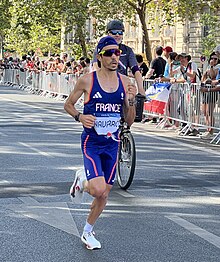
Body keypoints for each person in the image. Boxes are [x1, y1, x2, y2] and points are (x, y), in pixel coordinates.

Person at [64, 36, 137, 250]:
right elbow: (68, 104)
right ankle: (82, 180)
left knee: (104, 193)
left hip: (112, 144)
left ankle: (88, 231)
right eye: (109, 53)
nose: (115, 57)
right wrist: (79, 117)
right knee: (96, 190)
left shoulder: (125, 82)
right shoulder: (87, 80)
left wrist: (131, 100)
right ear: (100, 56)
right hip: (92, 142)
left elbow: (129, 120)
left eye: (117, 53)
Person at [92, 19, 145, 96]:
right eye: (114, 32)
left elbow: (136, 70)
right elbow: (95, 67)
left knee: (129, 105)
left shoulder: (128, 50)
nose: (117, 35)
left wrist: (141, 89)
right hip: (104, 85)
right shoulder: (100, 48)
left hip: (121, 86)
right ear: (108, 34)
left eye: (120, 32)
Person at [200, 52, 220, 139]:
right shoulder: (207, 66)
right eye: (212, 58)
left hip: (213, 91)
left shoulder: (218, 67)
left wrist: (211, 67)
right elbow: (203, 78)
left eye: (215, 59)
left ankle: (211, 131)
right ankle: (207, 128)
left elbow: (213, 76)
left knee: (210, 111)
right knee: (204, 111)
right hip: (205, 91)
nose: (213, 60)